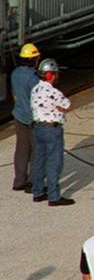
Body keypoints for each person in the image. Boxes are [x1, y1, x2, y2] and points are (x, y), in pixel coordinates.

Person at [30, 58, 74, 207]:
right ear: (50, 75)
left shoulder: (35, 89)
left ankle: (38, 192)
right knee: (54, 163)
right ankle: (54, 196)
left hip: (38, 128)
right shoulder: (54, 92)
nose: (57, 76)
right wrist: (60, 108)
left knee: (39, 161)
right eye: (55, 74)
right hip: (52, 130)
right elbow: (68, 106)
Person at [10, 42, 40, 193]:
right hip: (33, 118)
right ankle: (32, 182)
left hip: (19, 115)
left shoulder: (15, 74)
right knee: (36, 149)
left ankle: (19, 180)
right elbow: (37, 99)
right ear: (34, 60)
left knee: (21, 149)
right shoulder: (33, 78)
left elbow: (15, 94)